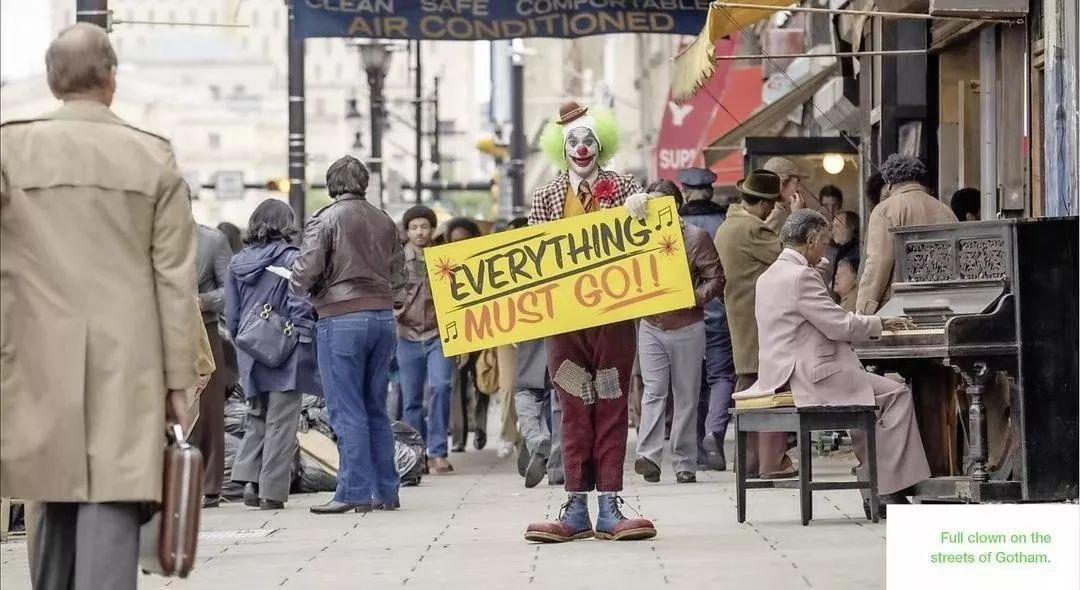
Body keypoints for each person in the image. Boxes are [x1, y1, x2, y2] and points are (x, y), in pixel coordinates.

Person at [0, 23, 198, 590]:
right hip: (126, 360)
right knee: (112, 497)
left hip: (33, 354)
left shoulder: (11, 147)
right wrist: (179, 382)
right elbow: (173, 281)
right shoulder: (152, 157)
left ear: (50, 79)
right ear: (111, 79)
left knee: (49, 497)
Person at [734, 210, 931, 518]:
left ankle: (874, 480)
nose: (825, 250)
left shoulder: (770, 275)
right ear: (811, 240)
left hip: (780, 372)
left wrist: (815, 266)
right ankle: (886, 488)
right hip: (810, 375)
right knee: (896, 395)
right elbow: (839, 324)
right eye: (823, 242)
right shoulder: (801, 277)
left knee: (866, 393)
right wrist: (880, 323)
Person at [524, 101, 656, 543]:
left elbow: (652, 238)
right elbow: (536, 257)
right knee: (573, 404)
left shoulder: (624, 185)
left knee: (612, 402)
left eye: (589, 140)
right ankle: (576, 503)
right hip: (565, 321)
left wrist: (646, 208)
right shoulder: (544, 195)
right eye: (573, 142)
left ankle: (610, 504)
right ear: (563, 148)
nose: (582, 148)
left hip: (614, 317)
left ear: (601, 144)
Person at [290, 155, 405, 514]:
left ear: (331, 184)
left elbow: (306, 271)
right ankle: (387, 489)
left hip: (341, 319)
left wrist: (297, 284)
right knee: (376, 407)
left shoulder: (325, 219)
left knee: (346, 408)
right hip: (382, 317)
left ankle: (353, 491)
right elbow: (399, 274)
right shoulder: (384, 220)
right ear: (364, 183)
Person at [226, 199, 321, 510]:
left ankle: (249, 482)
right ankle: (272, 492)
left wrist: (245, 344)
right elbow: (299, 304)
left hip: (250, 349)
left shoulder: (237, 262)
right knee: (281, 422)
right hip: (285, 350)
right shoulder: (293, 259)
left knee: (256, 417)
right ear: (286, 224)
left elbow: (233, 314)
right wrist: (303, 336)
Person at [634, 180, 725, 485]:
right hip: (651, 326)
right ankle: (648, 455)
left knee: (686, 396)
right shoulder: (638, 237)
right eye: (651, 204)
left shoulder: (696, 238)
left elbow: (716, 278)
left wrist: (693, 297)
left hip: (687, 326)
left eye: (663, 204)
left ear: (676, 205)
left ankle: (685, 462)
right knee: (654, 392)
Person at [713, 169, 795, 479]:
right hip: (761, 320)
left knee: (748, 389)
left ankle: (749, 462)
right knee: (771, 388)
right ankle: (772, 461)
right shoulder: (752, 230)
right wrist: (792, 217)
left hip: (739, 315)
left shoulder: (728, 227)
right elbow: (791, 254)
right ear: (764, 205)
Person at [677, 166, 736, 472]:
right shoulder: (725, 223)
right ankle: (715, 432)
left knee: (691, 382)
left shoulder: (675, 226)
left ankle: (698, 449)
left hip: (683, 316)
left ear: (684, 192)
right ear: (711, 192)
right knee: (722, 375)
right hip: (720, 312)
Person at [395, 205, 456, 474]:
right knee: (411, 399)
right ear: (407, 231)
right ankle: (415, 455)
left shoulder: (443, 258)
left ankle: (438, 452)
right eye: (414, 227)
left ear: (432, 229)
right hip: (406, 336)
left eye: (424, 226)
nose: (419, 232)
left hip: (438, 334)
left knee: (442, 387)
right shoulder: (395, 261)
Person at [857, 155, 958, 315]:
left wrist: (864, 308)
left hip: (897, 307)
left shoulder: (885, 210)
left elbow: (878, 262)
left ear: (889, 182)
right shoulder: (945, 210)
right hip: (941, 304)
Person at [444, 216, 492, 453]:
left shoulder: (484, 262)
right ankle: (459, 438)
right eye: (453, 241)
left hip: (482, 332)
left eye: (463, 240)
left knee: (483, 381)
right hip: (456, 336)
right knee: (457, 386)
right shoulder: (443, 267)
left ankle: (481, 429)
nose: (458, 244)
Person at [194, 222, 232, 508]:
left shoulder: (211, 240)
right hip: (157, 331)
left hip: (203, 330)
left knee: (209, 412)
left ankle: (209, 485)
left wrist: (201, 302)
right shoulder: (146, 234)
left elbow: (230, 290)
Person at [762, 156, 808, 232]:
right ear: (782, 183)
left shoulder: (779, 210)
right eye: (796, 182)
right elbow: (790, 242)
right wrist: (797, 216)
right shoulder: (775, 214)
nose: (799, 188)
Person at [823, 210, 860, 295]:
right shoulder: (841, 250)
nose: (833, 232)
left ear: (851, 227)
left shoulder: (856, 251)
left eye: (837, 226)